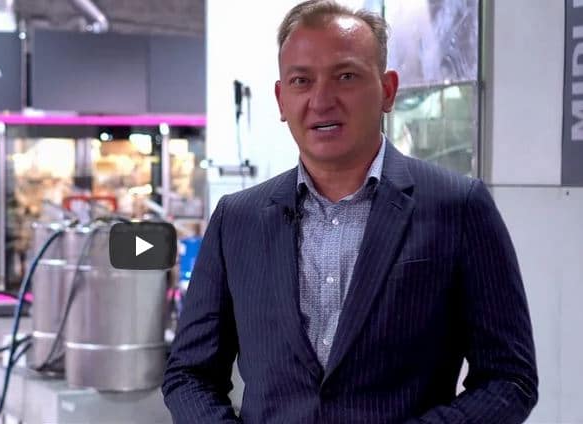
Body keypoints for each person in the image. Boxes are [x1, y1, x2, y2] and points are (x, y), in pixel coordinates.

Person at [161, 1, 538, 423]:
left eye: (346, 76)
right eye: (301, 81)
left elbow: (510, 379)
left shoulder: (458, 206)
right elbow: (189, 374)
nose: (322, 100)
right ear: (282, 99)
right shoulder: (238, 219)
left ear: (388, 90)